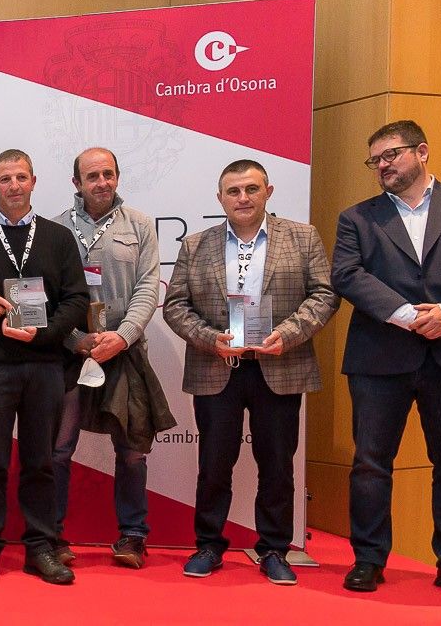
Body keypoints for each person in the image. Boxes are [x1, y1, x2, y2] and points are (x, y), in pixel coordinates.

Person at [333, 120, 441, 601]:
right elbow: (346, 274)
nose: (382, 165)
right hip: (380, 356)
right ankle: (368, 559)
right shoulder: (356, 217)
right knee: (370, 464)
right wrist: (406, 315)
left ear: (422, 151)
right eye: (375, 160)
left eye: (391, 155)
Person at [163, 159, 337, 585]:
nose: (243, 198)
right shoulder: (196, 244)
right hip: (218, 365)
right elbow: (175, 305)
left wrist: (287, 334)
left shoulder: (302, 237)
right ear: (220, 198)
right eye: (233, 191)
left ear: (268, 192)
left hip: (280, 363)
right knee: (214, 463)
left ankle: (274, 549)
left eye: (251, 189)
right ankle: (208, 544)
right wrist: (209, 338)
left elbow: (324, 294)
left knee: (277, 464)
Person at [0, 149, 88, 586]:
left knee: (40, 463)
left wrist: (45, 333)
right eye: (5, 179)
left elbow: (76, 301)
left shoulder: (57, 237)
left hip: (46, 364)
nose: (13, 186)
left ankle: (39, 548)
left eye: (21, 178)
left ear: (34, 182)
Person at [51, 147, 174, 569]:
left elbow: (147, 288)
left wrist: (120, 338)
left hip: (124, 353)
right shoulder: (55, 229)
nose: (101, 182)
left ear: (117, 177)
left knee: (133, 450)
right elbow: (47, 298)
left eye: (108, 174)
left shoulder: (139, 226)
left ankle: (133, 536)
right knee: (58, 449)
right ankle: (52, 536)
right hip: (70, 354)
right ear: (77, 184)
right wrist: (75, 340)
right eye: (92, 176)